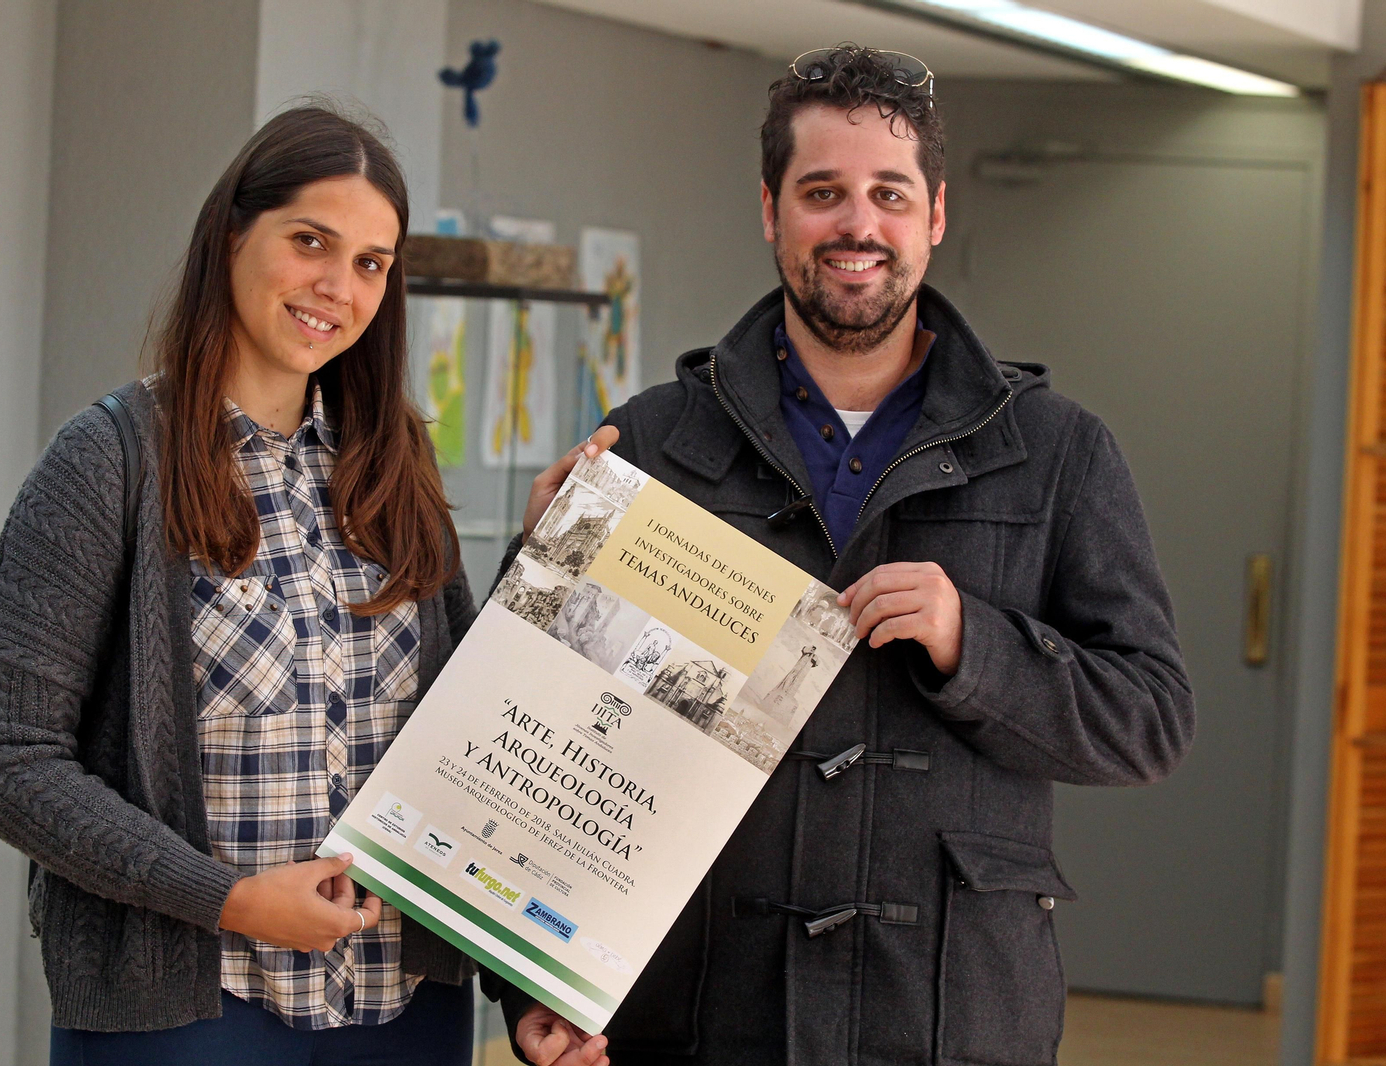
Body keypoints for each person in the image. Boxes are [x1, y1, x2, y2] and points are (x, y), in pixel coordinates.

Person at [498, 45, 1194, 1066]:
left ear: (934, 215)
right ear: (771, 209)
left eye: (888, 193)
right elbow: (525, 735)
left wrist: (975, 645)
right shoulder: (650, 445)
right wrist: (528, 986)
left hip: (948, 1021)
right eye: (822, 191)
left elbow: (1150, 721)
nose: (856, 224)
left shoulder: (1054, 452)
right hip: (699, 1016)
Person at [0, 105, 479, 1065]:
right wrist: (228, 900)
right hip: (189, 1013)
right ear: (232, 234)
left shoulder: (400, 470)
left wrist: (558, 545)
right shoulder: (109, 463)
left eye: (370, 263)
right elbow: (0, 755)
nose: (337, 286)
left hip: (405, 1006)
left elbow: (480, 731)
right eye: (310, 241)